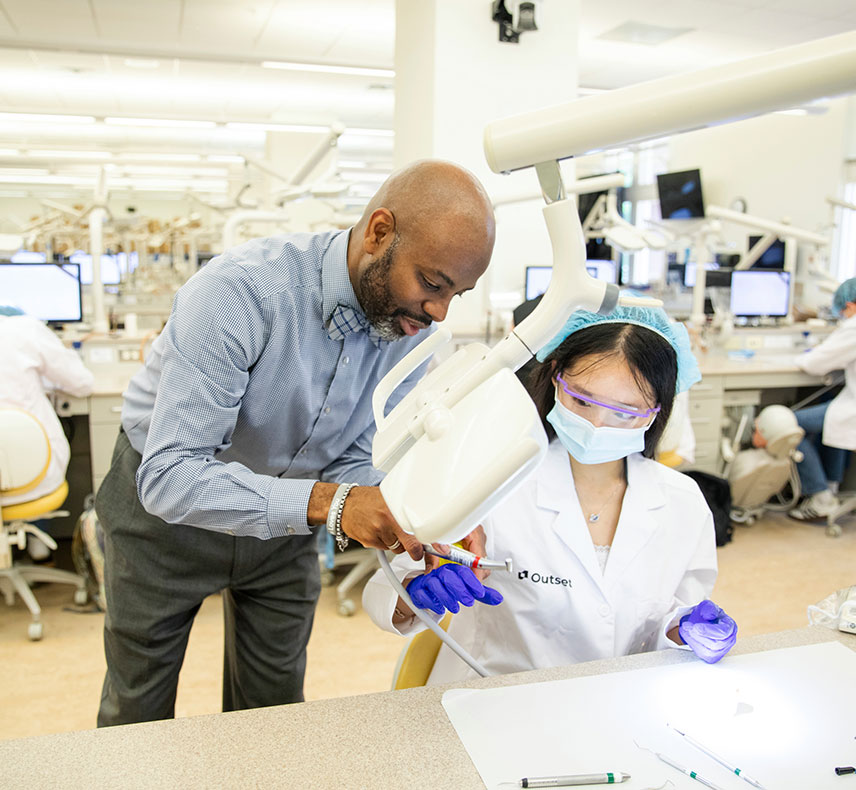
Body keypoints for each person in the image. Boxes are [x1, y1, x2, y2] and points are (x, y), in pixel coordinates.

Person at [95, 160, 496, 725]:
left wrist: (423, 518)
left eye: (458, 293)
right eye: (432, 283)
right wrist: (332, 504)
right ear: (378, 233)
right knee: (138, 704)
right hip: (163, 519)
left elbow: (358, 453)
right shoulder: (240, 293)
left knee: (275, 712)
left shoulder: (412, 333)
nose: (438, 312)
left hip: (290, 523)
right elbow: (171, 477)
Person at [363, 304, 737, 684]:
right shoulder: (489, 476)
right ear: (556, 377)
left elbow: (672, 615)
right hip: (492, 706)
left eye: (624, 413)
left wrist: (685, 630)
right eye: (582, 401)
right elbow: (386, 591)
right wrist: (414, 592)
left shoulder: (682, 502)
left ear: (657, 412)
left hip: (618, 705)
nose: (596, 425)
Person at [0, 306, 94, 558]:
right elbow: (83, 384)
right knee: (27, 457)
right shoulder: (25, 329)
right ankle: (39, 549)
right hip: (31, 480)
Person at [789, 278, 856, 520]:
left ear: (849, 305)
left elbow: (814, 364)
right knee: (830, 412)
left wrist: (803, 356)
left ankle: (820, 497)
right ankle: (831, 485)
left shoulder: (853, 327)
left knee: (791, 424)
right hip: (848, 404)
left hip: (852, 410)